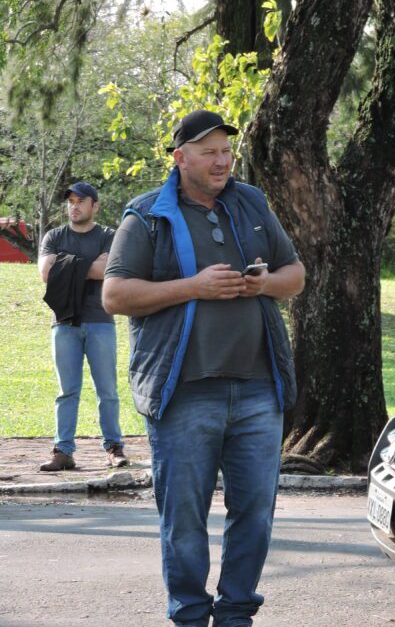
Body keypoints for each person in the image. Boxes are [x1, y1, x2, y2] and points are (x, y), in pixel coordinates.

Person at [103, 109, 306, 627]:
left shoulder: (251, 203)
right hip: (185, 394)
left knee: (256, 515)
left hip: (259, 391)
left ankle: (237, 614)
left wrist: (263, 284)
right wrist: (193, 286)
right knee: (184, 521)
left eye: (226, 151)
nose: (222, 161)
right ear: (181, 158)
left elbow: (296, 274)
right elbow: (115, 294)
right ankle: (191, 616)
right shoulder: (146, 215)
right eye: (209, 151)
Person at [37, 181, 127, 471]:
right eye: (70, 202)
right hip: (64, 322)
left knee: (107, 390)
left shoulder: (109, 236)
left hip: (100, 319)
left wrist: (66, 266)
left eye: (81, 201)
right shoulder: (54, 235)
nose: (74, 207)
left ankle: (114, 448)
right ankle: (63, 451)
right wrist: (88, 266)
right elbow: (46, 273)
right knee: (67, 391)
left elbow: (107, 269)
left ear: (95, 205)